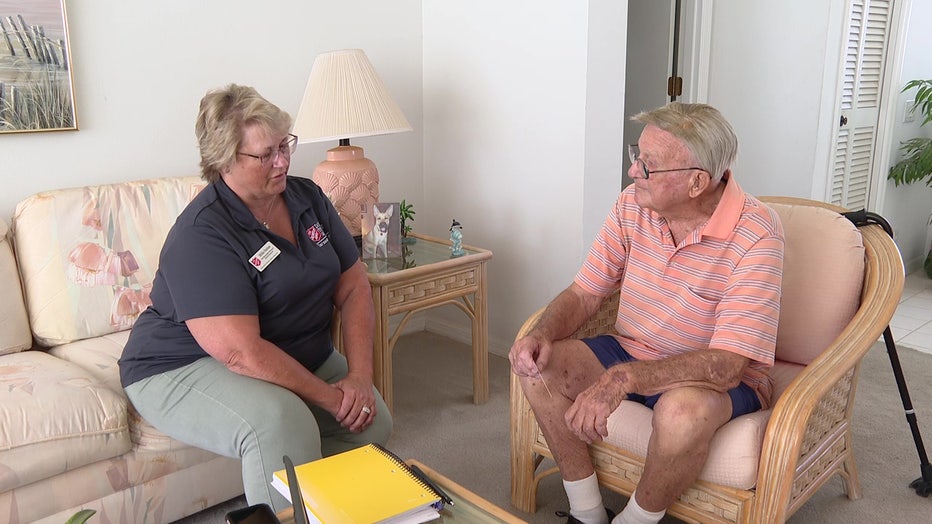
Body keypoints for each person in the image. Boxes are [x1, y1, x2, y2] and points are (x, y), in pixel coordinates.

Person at [118, 84, 392, 512]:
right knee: (281, 423)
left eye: (285, 145)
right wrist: (330, 397)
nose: (282, 161)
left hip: (282, 345)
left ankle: (330, 513)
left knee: (371, 424)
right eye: (266, 154)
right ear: (225, 161)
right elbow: (240, 353)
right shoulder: (202, 234)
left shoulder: (307, 197)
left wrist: (358, 378)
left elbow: (354, 283)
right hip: (180, 363)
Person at [509, 102, 784, 524]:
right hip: (630, 349)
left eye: (648, 166)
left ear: (697, 182)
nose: (634, 172)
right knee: (537, 367)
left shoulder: (757, 234)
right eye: (636, 157)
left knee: (680, 414)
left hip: (711, 381)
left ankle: (634, 520)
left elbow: (728, 367)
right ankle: (587, 512)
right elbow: (585, 292)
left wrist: (625, 378)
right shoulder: (632, 205)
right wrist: (542, 334)